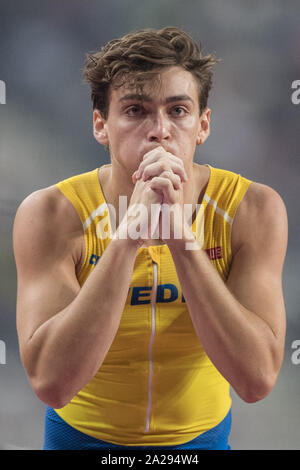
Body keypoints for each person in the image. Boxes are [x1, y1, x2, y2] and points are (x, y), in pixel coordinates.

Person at [13, 27, 288, 451]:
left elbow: (256, 381)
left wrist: (182, 240)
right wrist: (127, 238)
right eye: (136, 110)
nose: (159, 130)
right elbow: (52, 384)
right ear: (101, 125)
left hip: (199, 445)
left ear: (203, 125)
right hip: (81, 442)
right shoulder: (49, 214)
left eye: (178, 110)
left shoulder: (253, 210)